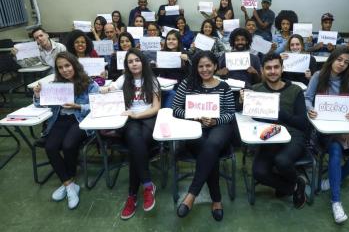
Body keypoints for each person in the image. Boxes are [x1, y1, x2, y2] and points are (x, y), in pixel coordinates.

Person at [305, 47, 349, 224]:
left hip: (344, 128)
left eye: (346, 62)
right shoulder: (318, 76)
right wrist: (311, 109)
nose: (342, 64)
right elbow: (307, 98)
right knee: (335, 151)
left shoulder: (348, 81)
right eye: (339, 60)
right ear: (332, 59)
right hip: (325, 129)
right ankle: (336, 201)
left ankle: (333, 179)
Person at [173, 51, 235, 221]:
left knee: (212, 144)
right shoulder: (188, 84)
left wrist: (216, 121)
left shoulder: (224, 87)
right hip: (194, 127)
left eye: (208, 65)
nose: (205, 69)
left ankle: (191, 195)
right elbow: (176, 110)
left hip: (219, 126)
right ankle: (216, 200)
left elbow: (230, 113)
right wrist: (193, 116)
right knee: (209, 153)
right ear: (196, 67)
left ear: (215, 66)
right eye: (200, 66)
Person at [239, 53, 307, 208]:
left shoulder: (295, 90)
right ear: (262, 70)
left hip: (293, 135)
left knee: (282, 161)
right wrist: (242, 101)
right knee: (259, 172)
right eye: (268, 68)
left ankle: (289, 182)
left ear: (282, 69)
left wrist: (280, 113)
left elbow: (303, 123)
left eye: (276, 67)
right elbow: (244, 115)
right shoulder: (256, 89)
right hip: (268, 136)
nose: (273, 71)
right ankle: (295, 185)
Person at [32, 52, 99, 209]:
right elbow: (41, 105)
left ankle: (68, 182)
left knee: (68, 145)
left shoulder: (90, 84)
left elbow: (97, 107)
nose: (65, 70)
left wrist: (78, 106)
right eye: (60, 67)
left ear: (74, 65)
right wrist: (37, 95)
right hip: (60, 119)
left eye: (67, 66)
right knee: (51, 147)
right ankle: (69, 185)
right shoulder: (55, 85)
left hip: (79, 120)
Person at [101, 48, 160, 219]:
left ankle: (132, 196)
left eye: (137, 60)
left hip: (148, 118)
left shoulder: (152, 80)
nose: (134, 64)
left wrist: (137, 114)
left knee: (136, 146)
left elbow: (156, 108)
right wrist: (105, 89)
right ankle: (147, 186)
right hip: (128, 120)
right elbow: (109, 89)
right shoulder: (123, 79)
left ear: (143, 62)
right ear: (126, 65)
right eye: (130, 61)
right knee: (135, 138)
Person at [155, 30, 190, 107]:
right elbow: (157, 74)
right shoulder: (161, 53)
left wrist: (187, 61)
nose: (170, 41)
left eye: (174, 39)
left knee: (172, 95)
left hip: (179, 87)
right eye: (168, 39)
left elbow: (190, 73)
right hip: (163, 86)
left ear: (178, 41)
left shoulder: (185, 55)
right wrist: (156, 66)